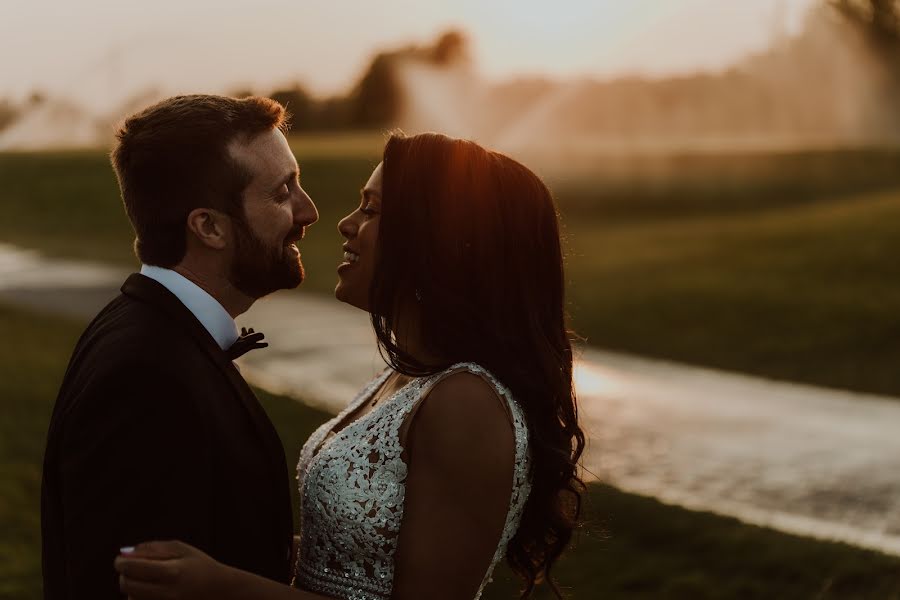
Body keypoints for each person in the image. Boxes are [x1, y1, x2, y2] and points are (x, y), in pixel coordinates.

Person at [114, 132, 585, 600]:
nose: (344, 223)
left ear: (436, 237)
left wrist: (220, 586)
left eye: (371, 210)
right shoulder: (405, 378)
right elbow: (349, 563)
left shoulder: (466, 404)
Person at [41, 94, 319, 598]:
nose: (309, 210)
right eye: (282, 192)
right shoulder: (144, 375)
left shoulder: (152, 328)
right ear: (209, 226)